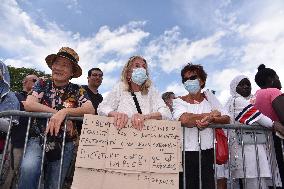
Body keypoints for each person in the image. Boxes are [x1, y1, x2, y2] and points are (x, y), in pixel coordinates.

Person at [18, 47, 95, 189]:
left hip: (66, 143)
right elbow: (29, 104)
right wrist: (57, 112)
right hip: (38, 138)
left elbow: (90, 109)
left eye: (65, 65)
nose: (58, 68)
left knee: (54, 183)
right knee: (28, 169)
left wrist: (65, 112)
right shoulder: (42, 83)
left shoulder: (78, 89)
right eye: (57, 63)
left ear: (72, 72)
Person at [172, 63, 230, 189]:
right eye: (185, 79)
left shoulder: (210, 98)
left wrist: (212, 119)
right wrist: (210, 115)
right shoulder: (178, 101)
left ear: (202, 81)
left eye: (192, 78)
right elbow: (185, 119)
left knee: (207, 184)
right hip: (185, 154)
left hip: (206, 153)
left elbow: (227, 118)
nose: (188, 81)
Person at [225, 75, 284, 188]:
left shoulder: (247, 100)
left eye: (248, 84)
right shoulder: (236, 101)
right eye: (241, 84)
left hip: (253, 148)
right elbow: (259, 117)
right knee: (253, 182)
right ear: (234, 88)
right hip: (247, 150)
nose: (246, 87)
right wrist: (274, 124)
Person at [98, 55, 171, 130]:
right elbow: (102, 108)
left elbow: (166, 113)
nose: (142, 69)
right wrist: (117, 114)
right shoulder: (120, 87)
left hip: (146, 137)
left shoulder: (151, 90)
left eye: (144, 67)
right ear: (128, 73)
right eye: (137, 66)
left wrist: (146, 117)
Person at [3, 74, 38, 189]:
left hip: (35, 142)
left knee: (28, 173)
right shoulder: (14, 96)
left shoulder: (40, 98)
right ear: (24, 82)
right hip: (18, 140)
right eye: (34, 80)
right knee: (11, 172)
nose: (36, 83)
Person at [254, 64, 284, 188]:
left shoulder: (256, 95)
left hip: (263, 141)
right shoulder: (274, 91)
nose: (279, 80)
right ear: (271, 79)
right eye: (277, 77)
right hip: (278, 138)